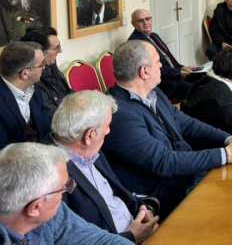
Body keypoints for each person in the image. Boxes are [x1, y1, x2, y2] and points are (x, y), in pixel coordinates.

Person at [101, 40, 232, 217]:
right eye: (157, 61)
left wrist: (228, 139)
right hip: (165, 194)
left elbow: (187, 124)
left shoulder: (153, 92)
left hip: (185, 175)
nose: (161, 65)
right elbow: (164, 161)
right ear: (144, 72)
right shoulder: (119, 115)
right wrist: (225, 154)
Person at [52, 91, 159, 243]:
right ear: (90, 135)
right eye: (107, 125)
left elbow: (118, 193)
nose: (108, 131)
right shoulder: (51, 176)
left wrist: (142, 210)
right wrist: (132, 237)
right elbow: (68, 240)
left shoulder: (90, 150)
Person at [0, 142, 131, 245]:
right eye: (63, 188)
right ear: (35, 208)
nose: (66, 192)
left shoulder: (53, 214)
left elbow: (99, 240)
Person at [128, 9, 192, 102]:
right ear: (133, 24)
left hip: (172, 73)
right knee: (196, 87)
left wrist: (181, 68)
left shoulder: (154, 36)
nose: (145, 23)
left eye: (148, 19)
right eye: (140, 21)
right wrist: (178, 72)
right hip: (162, 82)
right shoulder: (136, 43)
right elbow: (151, 70)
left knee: (202, 77)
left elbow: (168, 57)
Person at [0, 41, 51, 149]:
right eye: (42, 64)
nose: (44, 67)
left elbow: (45, 127)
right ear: (25, 73)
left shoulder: (35, 88)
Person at [21, 26, 71, 116]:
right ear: (40, 52)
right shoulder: (32, 78)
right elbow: (51, 114)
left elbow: (67, 92)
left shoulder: (51, 65)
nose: (60, 51)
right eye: (56, 48)